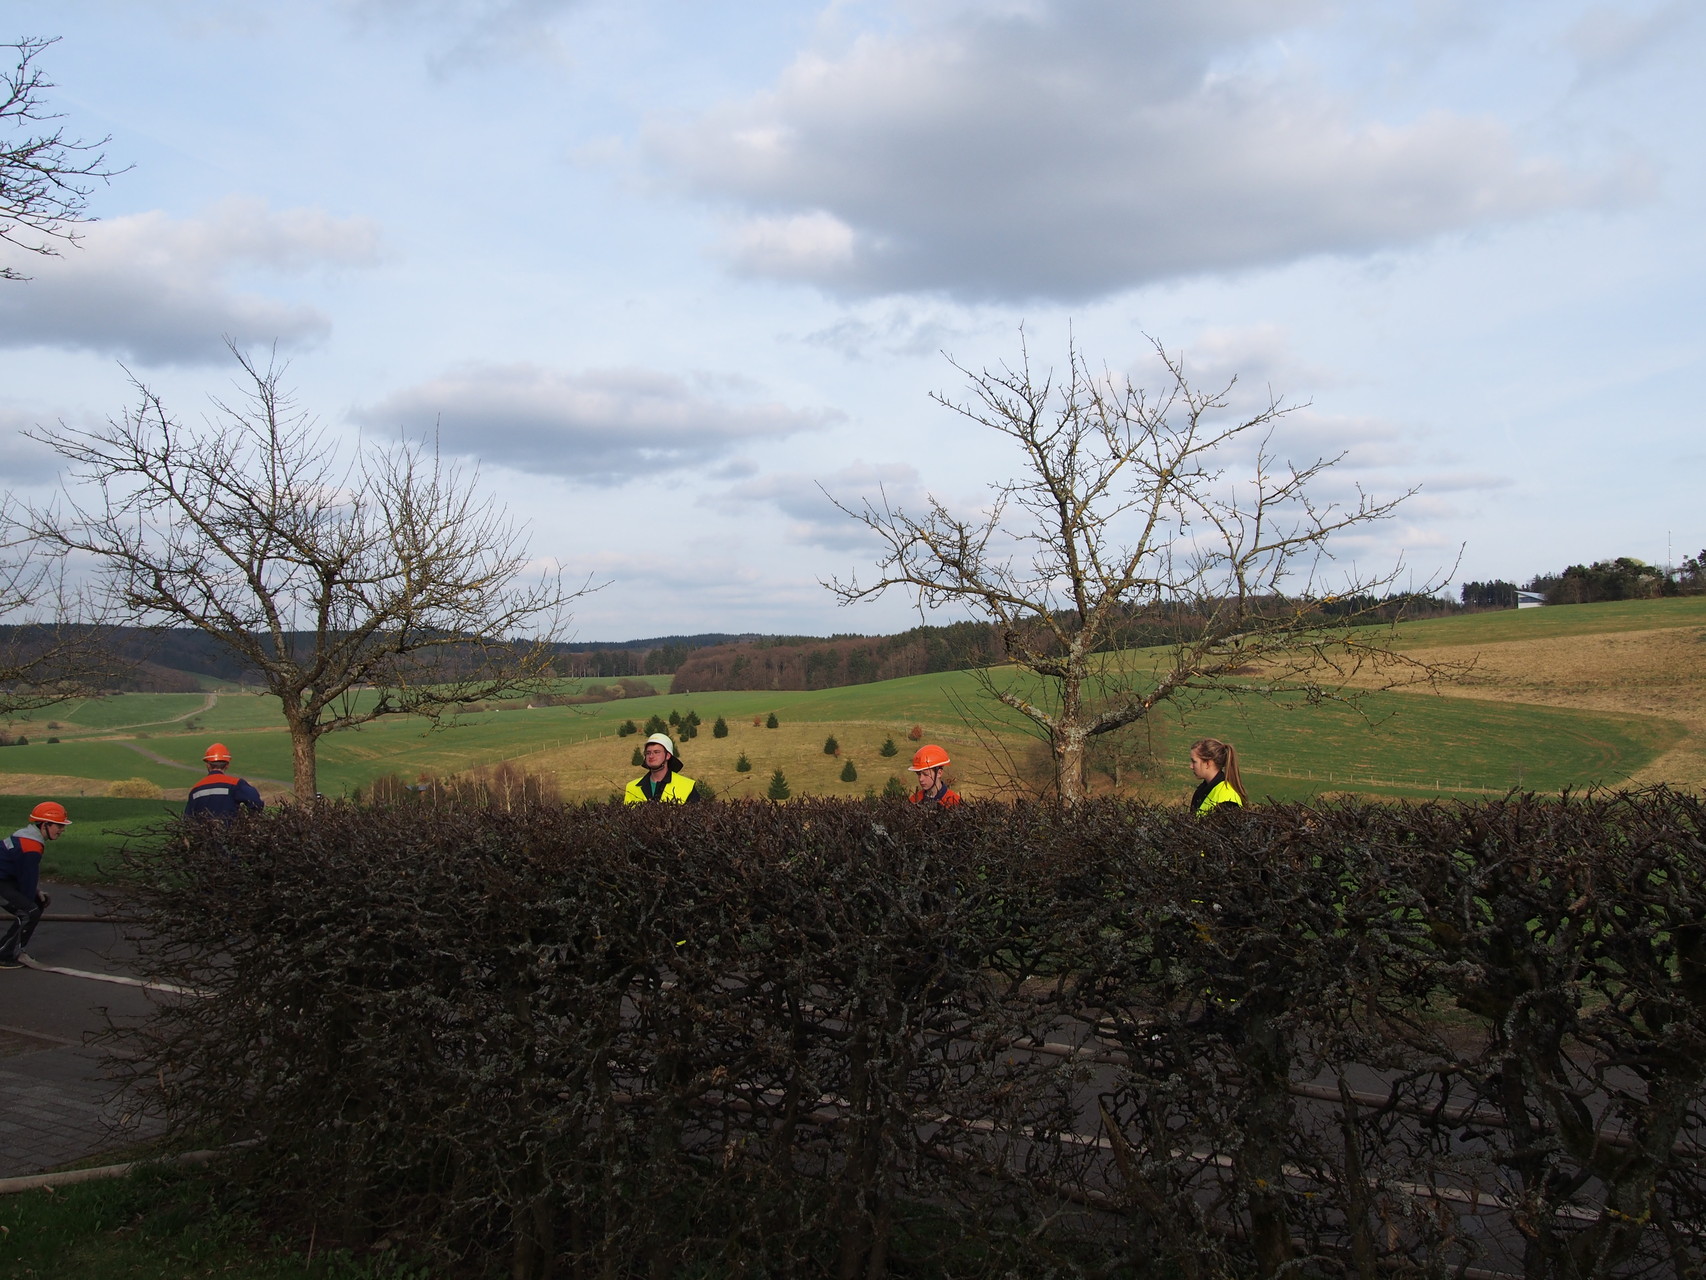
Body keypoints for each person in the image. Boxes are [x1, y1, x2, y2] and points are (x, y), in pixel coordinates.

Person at [0, 801, 70, 970]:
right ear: (45, 824)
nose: (62, 830)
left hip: (5, 880)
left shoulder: (26, 836)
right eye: (59, 826)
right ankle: (4, 955)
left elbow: (23, 875)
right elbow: (27, 882)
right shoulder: (31, 846)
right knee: (29, 912)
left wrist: (36, 894)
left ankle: (13, 950)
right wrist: (33, 896)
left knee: (33, 906)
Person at [185, 743, 265, 820]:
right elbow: (255, 802)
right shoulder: (235, 784)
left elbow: (188, 819)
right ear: (227, 765)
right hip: (231, 833)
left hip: (205, 833)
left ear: (208, 765)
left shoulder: (196, 789)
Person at [623, 732, 704, 804]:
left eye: (656, 752)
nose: (651, 756)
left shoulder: (687, 786)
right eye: (648, 753)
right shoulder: (632, 787)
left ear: (668, 756)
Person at [1188, 738, 1245, 815]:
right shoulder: (1202, 790)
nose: (1191, 766)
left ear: (1208, 763)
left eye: (1194, 762)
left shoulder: (1227, 799)